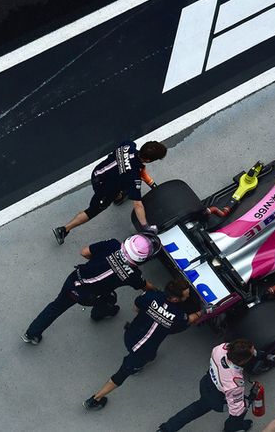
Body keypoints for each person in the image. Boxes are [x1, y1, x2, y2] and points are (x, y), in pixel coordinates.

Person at [83, 279, 203, 410]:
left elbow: (136, 307)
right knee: (122, 374)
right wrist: (202, 312)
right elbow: (189, 321)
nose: (188, 296)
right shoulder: (179, 316)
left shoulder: (150, 295)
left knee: (133, 358)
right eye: (186, 295)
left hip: (130, 335)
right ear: (175, 299)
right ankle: (95, 399)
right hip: (143, 351)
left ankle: (98, 397)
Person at [21, 233, 161, 345]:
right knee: (110, 298)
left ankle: (31, 334)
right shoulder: (133, 275)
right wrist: (158, 292)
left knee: (55, 307)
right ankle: (98, 314)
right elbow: (145, 286)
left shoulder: (112, 244)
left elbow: (84, 252)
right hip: (88, 296)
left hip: (74, 281)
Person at [53, 140, 167, 245]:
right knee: (92, 211)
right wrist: (146, 227)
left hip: (99, 172)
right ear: (148, 160)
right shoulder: (133, 177)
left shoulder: (129, 145)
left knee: (122, 187)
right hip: (103, 187)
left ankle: (118, 196)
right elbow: (138, 205)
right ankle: (64, 229)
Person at [158, 340, 275, 432]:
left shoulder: (220, 349)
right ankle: (231, 429)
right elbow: (236, 410)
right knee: (239, 412)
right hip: (217, 399)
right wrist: (251, 397)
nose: (254, 352)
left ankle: (166, 429)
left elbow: (249, 352)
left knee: (195, 409)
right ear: (242, 362)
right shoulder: (235, 383)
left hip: (207, 383)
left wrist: (267, 356)